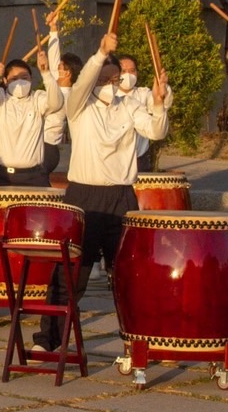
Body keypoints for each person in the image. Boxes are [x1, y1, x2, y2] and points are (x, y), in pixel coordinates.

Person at [36, 29, 169, 351]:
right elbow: (81, 86)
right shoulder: (79, 106)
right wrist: (100, 52)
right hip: (83, 197)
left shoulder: (130, 106)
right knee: (68, 274)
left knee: (129, 274)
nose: (111, 85)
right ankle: (49, 339)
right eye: (104, 79)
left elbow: (156, 129)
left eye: (115, 79)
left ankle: (141, 340)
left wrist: (159, 102)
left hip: (122, 197)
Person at [0, 11, 62, 187]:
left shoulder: (38, 99)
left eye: (25, 77)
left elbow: (56, 102)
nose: (20, 82)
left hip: (34, 177)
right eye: (15, 79)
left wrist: (46, 72)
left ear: (31, 80)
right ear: (6, 81)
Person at [43, 52, 81, 176]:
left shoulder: (63, 97)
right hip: (46, 148)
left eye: (60, 68)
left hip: (46, 149)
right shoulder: (63, 92)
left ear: (67, 73)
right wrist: (53, 33)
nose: (56, 70)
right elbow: (53, 64)